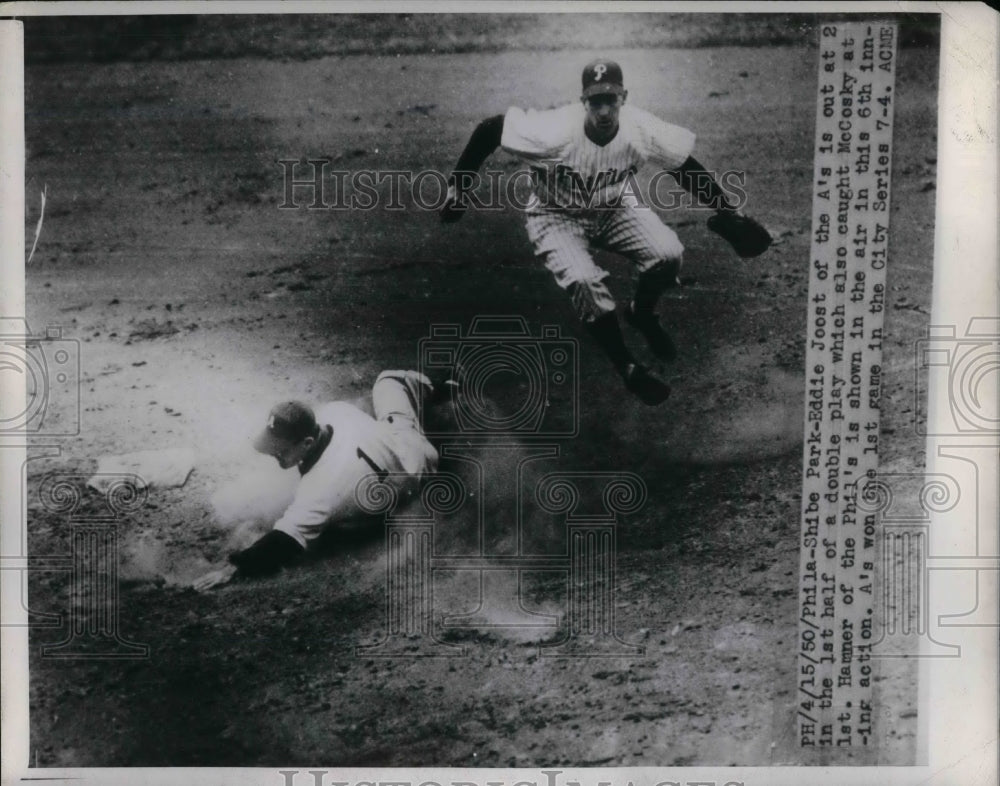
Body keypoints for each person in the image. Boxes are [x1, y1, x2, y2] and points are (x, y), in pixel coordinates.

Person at [441, 58, 750, 406]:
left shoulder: (640, 129)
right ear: (583, 101)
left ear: (624, 98)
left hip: (615, 207)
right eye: (595, 101)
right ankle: (627, 366)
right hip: (554, 216)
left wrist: (728, 209)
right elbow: (490, 130)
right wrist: (458, 188)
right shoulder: (554, 132)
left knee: (669, 255)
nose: (604, 109)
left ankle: (642, 314)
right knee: (584, 282)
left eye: (611, 100)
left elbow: (684, 167)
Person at [193, 370, 441, 590]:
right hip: (401, 439)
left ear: (308, 443)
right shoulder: (336, 411)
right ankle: (444, 387)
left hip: (418, 479)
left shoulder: (323, 488)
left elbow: (285, 540)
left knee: (338, 527)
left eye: (281, 450)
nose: (274, 454)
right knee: (389, 380)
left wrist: (234, 568)